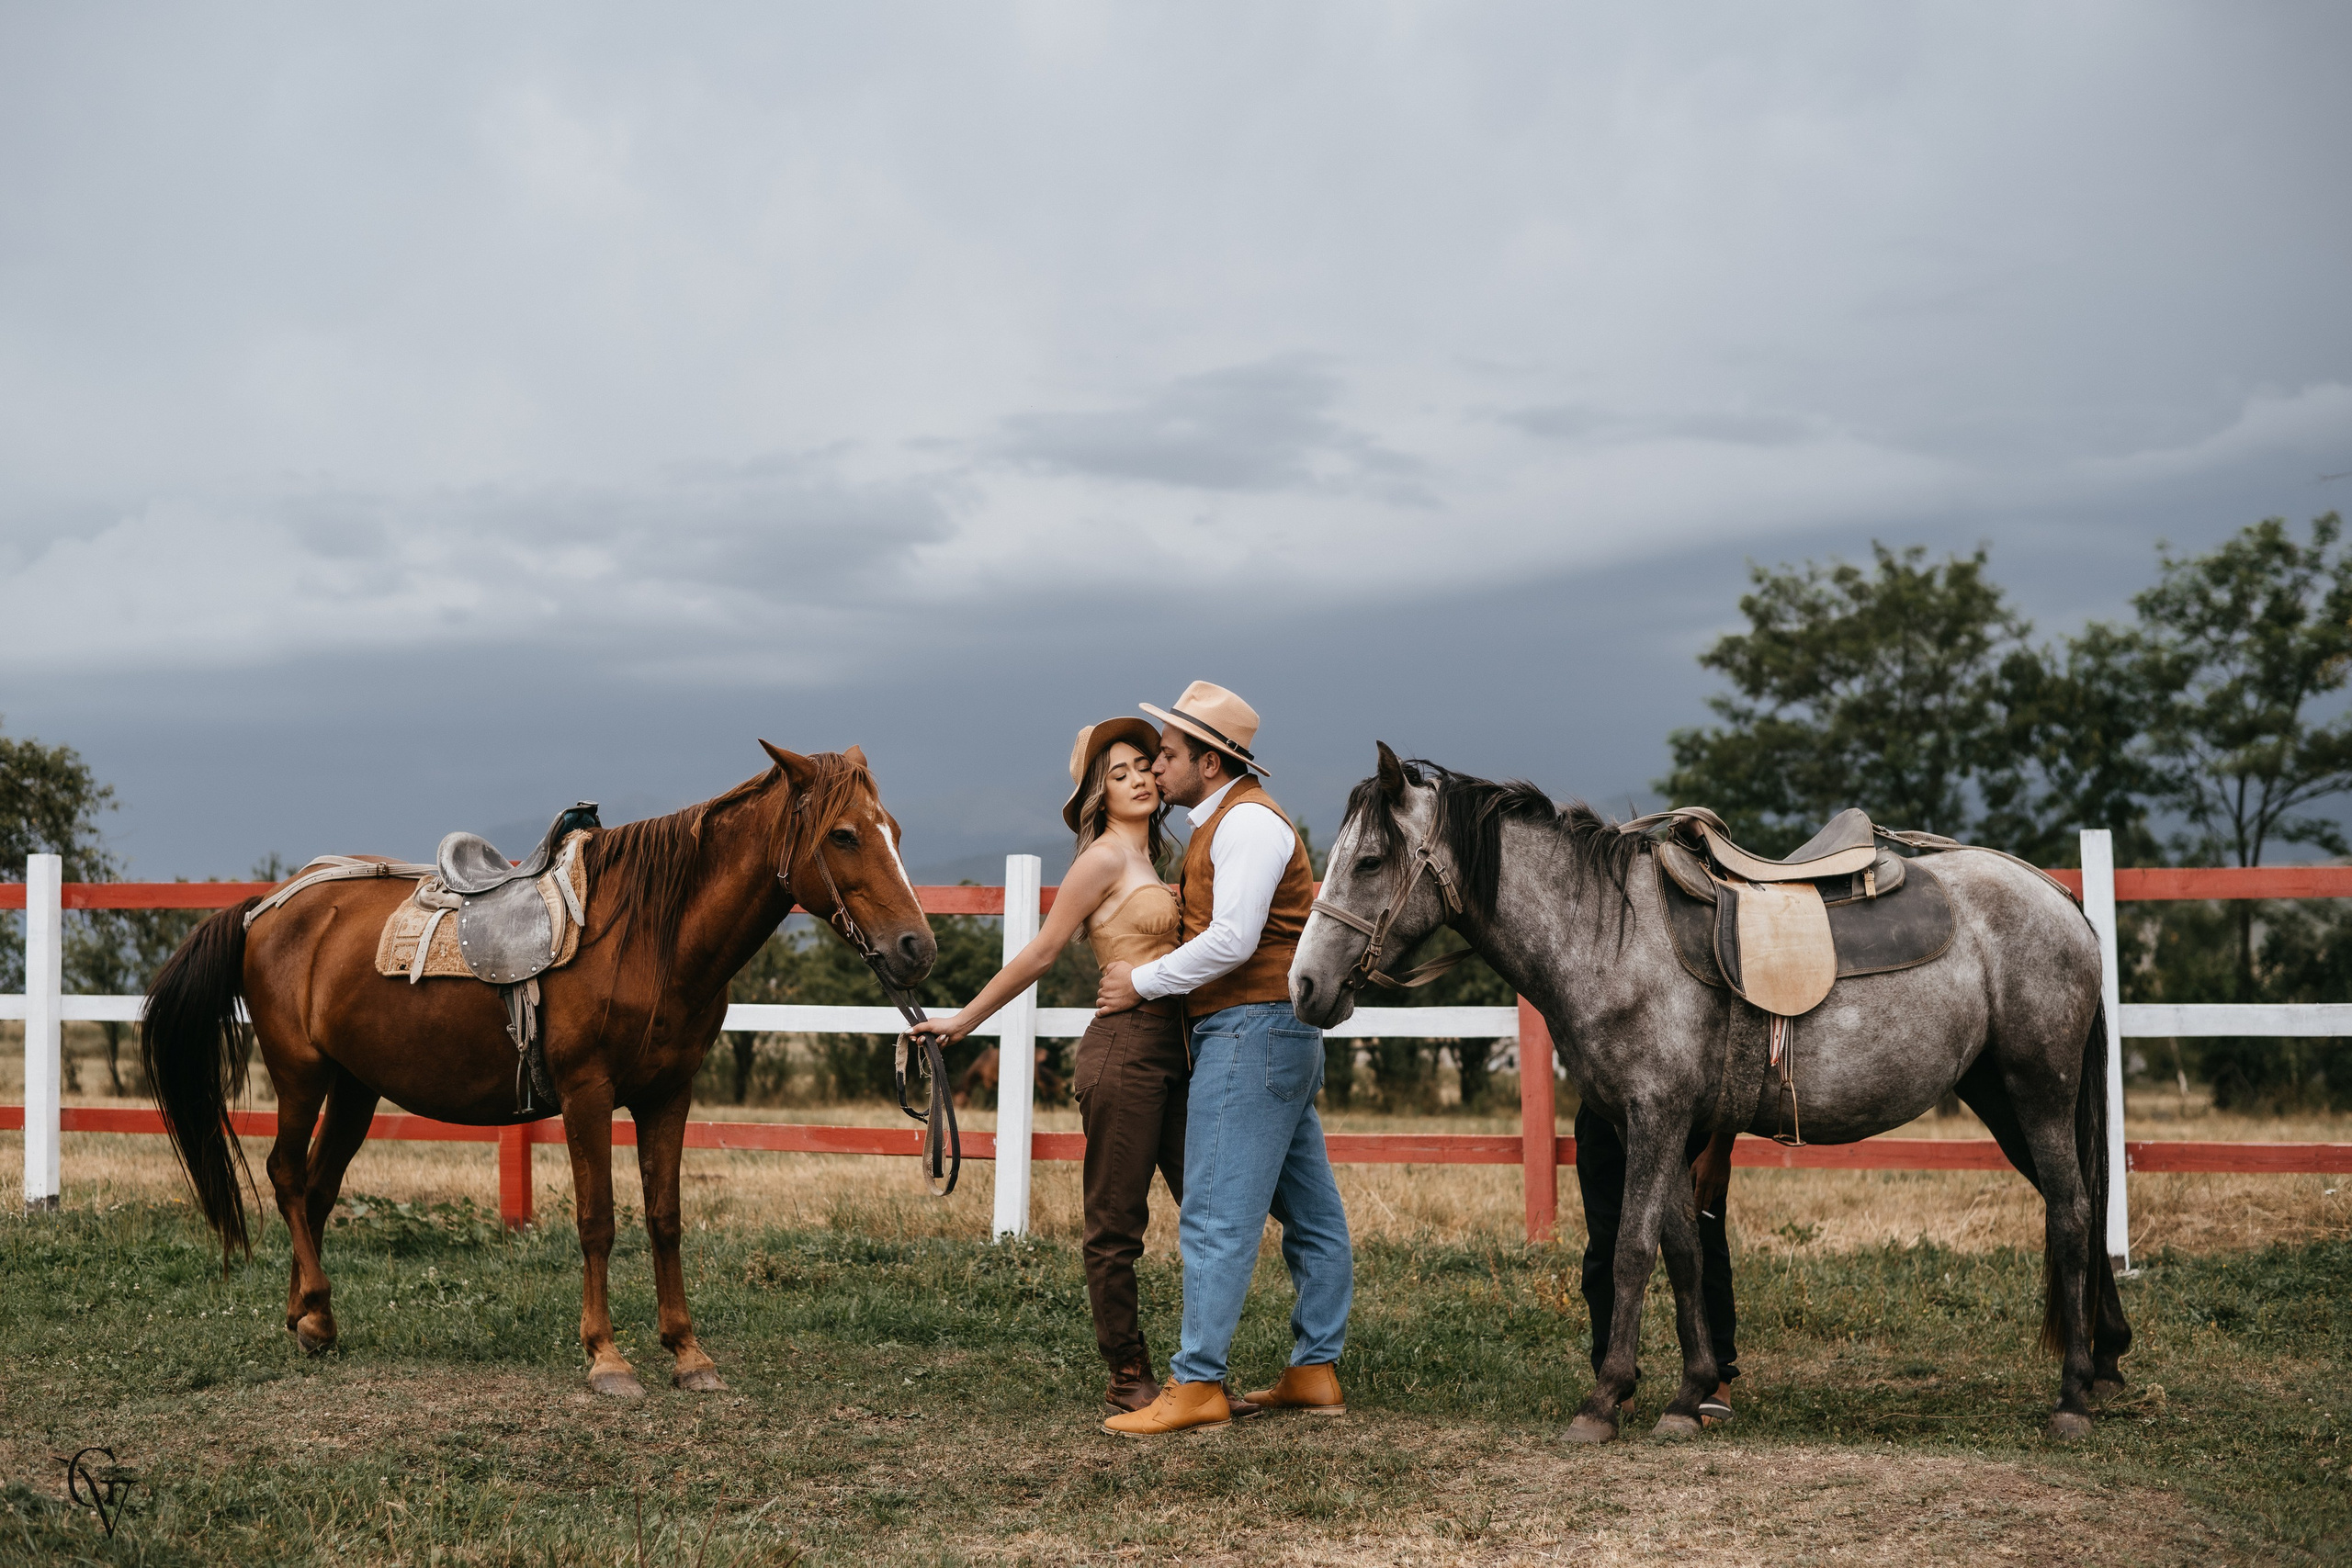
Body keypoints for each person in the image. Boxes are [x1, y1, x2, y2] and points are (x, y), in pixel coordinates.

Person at [907, 718, 1209, 1415]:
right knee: (1115, 1220)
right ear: (1096, 796)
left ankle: (1198, 1368)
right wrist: (961, 1020)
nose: (1137, 778)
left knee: (1207, 1207)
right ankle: (1126, 1369)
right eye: (1118, 773)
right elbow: (1042, 952)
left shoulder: (1165, 860)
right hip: (1125, 1049)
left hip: (1177, 1051)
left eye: (1143, 765)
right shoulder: (1102, 860)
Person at [1095, 681, 1353, 1437]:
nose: (1158, 766)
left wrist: (1139, 980)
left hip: (1250, 1029)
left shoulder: (1245, 826)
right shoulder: (1232, 822)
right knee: (1311, 1211)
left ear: (1209, 762)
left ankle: (1198, 1381)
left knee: (1214, 1211)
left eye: (1169, 754)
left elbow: (1235, 939)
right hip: (1274, 1030)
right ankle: (1314, 1369)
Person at [1575, 1113, 1739, 1427]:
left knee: (1704, 1244)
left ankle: (1717, 1382)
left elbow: (1734, 1068)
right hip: (1606, 1116)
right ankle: (1613, 1384)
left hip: (1688, 1118)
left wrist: (1719, 1149)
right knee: (1605, 1246)